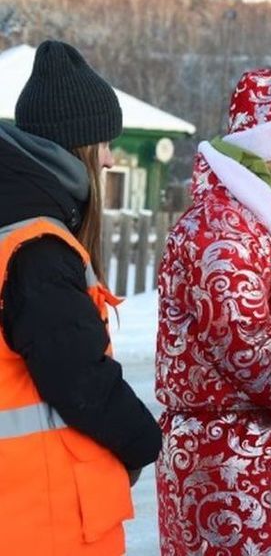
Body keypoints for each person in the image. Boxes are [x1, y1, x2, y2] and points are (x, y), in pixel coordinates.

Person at [155, 68, 271, 556]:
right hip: (226, 461)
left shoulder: (246, 219)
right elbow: (245, 351)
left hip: (249, 448)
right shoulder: (222, 230)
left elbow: (259, 329)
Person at [0, 40, 162, 554]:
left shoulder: (18, 225)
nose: (111, 160)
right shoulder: (39, 247)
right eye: (103, 144)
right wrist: (141, 440)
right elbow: (78, 377)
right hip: (43, 512)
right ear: (75, 148)